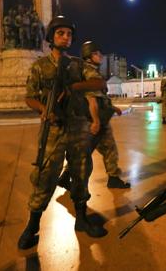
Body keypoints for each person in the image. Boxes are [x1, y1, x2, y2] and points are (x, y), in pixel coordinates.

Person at [18, 15, 109, 250]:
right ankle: (32, 226)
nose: (65, 37)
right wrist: (43, 111)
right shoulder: (40, 66)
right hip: (54, 129)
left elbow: (99, 83)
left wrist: (73, 87)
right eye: (61, 33)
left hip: (77, 127)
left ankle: (82, 218)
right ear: (51, 37)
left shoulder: (78, 65)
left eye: (69, 34)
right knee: (45, 176)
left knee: (81, 172)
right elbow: (29, 97)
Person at [79, 40, 131, 188]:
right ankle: (112, 177)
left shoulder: (91, 70)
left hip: (98, 118)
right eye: (97, 53)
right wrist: (95, 121)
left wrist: (113, 108)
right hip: (96, 120)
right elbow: (92, 99)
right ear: (89, 56)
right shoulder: (90, 72)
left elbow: (101, 98)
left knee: (95, 149)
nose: (100, 56)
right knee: (96, 150)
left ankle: (113, 177)